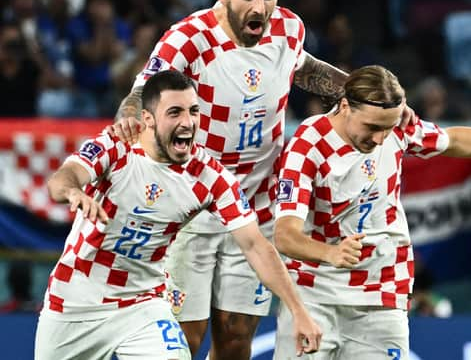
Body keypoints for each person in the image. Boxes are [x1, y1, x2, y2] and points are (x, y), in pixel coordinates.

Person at [112, 0, 407, 358]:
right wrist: (128, 114)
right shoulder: (189, 39)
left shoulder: (289, 28)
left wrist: (366, 98)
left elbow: (303, 68)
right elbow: (143, 91)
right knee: (184, 340)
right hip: (191, 209)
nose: (260, 8)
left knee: (235, 340)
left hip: (255, 209)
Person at [273, 65, 471, 359]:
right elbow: (285, 235)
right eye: (373, 127)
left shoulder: (396, 127)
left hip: (381, 291)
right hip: (314, 295)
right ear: (345, 106)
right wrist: (330, 253)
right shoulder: (308, 145)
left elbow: (455, 141)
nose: (380, 139)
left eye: (387, 128)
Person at [34, 70, 321, 360]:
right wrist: (74, 192)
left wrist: (299, 311)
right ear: (147, 118)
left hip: (142, 304)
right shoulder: (117, 146)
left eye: (194, 111)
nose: (188, 122)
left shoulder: (209, 176)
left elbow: (255, 245)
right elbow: (62, 179)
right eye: (175, 112)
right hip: (74, 299)